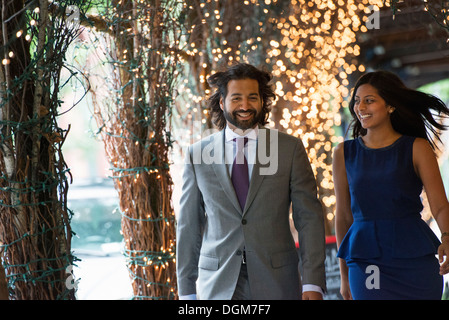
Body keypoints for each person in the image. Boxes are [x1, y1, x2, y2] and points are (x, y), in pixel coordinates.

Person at [176, 63, 326, 300]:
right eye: (236, 98)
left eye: (252, 98)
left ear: (262, 102)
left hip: (278, 280)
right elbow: (188, 225)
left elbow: (309, 218)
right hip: (218, 283)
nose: (245, 106)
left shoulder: (289, 148)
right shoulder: (198, 155)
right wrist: (186, 291)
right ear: (222, 102)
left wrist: (312, 282)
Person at [333, 70, 449, 300]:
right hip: (366, 261)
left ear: (391, 106)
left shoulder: (417, 148)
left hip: (415, 261)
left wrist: (447, 237)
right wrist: (344, 277)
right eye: (357, 101)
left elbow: (440, 205)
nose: (360, 107)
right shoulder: (343, 153)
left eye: (369, 100)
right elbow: (344, 216)